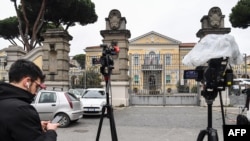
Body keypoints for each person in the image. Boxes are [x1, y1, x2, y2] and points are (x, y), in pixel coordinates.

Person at [0, 59, 59, 141]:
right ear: (27, 82)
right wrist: (51, 131)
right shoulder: (22, 109)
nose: (36, 92)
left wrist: (35, 126)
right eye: (37, 86)